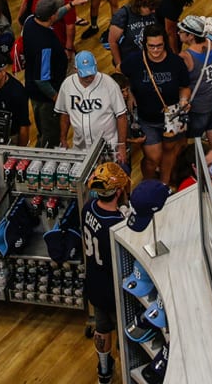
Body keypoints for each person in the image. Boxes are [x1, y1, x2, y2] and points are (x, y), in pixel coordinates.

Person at [82, 162, 131, 384]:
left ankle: (104, 371)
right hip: (115, 290)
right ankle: (130, 373)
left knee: (101, 329)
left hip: (94, 282)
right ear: (118, 191)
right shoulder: (117, 225)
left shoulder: (88, 208)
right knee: (124, 334)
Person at [125, 30, 189, 185]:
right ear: (145, 45)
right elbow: (119, 72)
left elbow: (185, 86)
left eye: (159, 46)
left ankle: (164, 185)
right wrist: (129, 92)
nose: (155, 50)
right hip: (147, 118)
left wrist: (184, 100)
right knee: (153, 158)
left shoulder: (175, 62)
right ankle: (147, 185)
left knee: (170, 152)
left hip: (171, 117)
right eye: (151, 46)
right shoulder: (135, 60)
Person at [56, 51, 130, 161]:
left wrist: (121, 145)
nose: (89, 77)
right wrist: (63, 139)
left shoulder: (109, 84)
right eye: (84, 74)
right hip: (80, 148)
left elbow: (121, 116)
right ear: (75, 69)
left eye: (91, 73)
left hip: (108, 147)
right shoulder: (67, 85)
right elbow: (64, 114)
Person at [22, 0, 70, 148]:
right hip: (45, 98)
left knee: (42, 130)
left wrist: (71, 5)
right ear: (51, 17)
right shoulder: (45, 45)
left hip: (31, 88)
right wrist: (57, 98)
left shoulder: (30, 21)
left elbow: (54, 16)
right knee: (50, 135)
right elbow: (42, 80)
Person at [177, 15, 212, 159]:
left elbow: (182, 83)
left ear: (190, 36)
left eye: (181, 31)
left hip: (199, 106)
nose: (178, 33)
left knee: (190, 140)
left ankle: (190, 169)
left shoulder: (185, 57)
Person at [108, 0, 160, 71]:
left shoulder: (151, 14)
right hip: (130, 61)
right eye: (150, 8)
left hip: (151, 59)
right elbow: (112, 42)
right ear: (140, 5)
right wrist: (119, 65)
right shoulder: (122, 15)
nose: (153, 11)